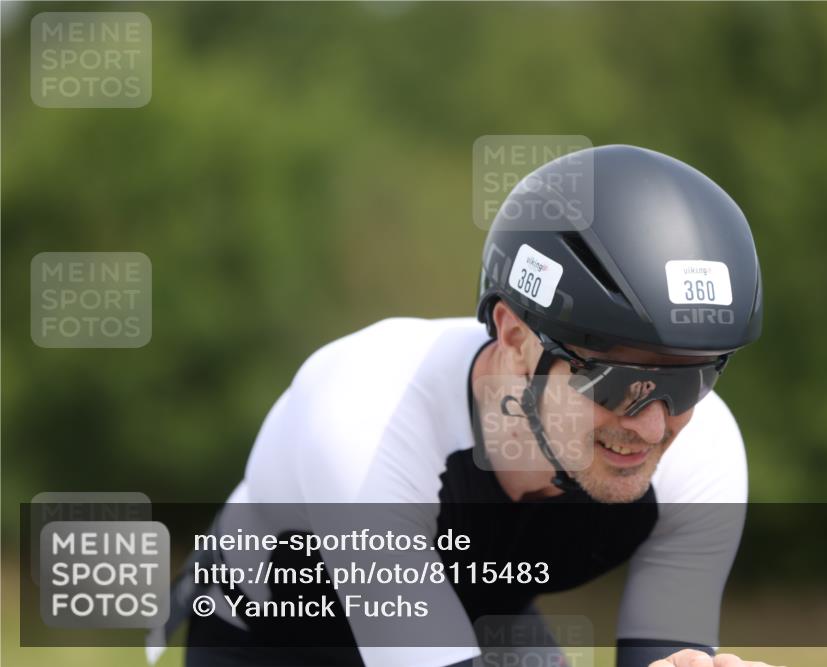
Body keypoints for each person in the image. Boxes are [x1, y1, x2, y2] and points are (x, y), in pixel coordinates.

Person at [175, 144, 778, 667]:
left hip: (480, 615)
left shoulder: (704, 452)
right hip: (273, 637)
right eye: (620, 382)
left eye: (692, 381)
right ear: (514, 337)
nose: (652, 425)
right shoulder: (366, 420)